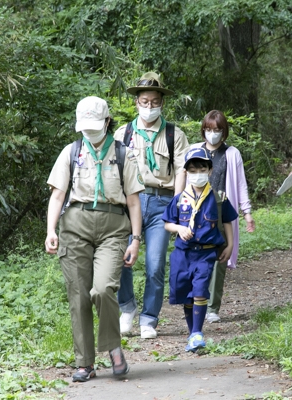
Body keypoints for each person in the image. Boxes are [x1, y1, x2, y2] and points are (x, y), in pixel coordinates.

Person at [44, 96, 144, 382]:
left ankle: (113, 346)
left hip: (113, 227)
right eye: (85, 126)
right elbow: (58, 195)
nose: (89, 131)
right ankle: (84, 363)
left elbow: (134, 202)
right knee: (78, 296)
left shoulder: (123, 153)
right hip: (75, 226)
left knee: (102, 290)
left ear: (107, 122)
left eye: (95, 125)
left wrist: (135, 239)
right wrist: (51, 231)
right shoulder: (71, 152)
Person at [115, 72, 190, 339]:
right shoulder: (122, 133)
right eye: (144, 101)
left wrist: (178, 203)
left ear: (162, 103)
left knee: (155, 264)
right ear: (136, 102)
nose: (149, 107)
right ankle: (127, 308)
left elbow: (182, 169)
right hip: (128, 203)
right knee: (121, 259)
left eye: (155, 102)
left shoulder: (174, 134)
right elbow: (113, 172)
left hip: (161, 202)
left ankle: (149, 318)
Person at [162, 147, 238, 352]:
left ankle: (197, 332)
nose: (198, 174)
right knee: (186, 293)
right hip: (183, 253)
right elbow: (167, 224)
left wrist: (230, 245)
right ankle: (192, 333)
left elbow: (228, 220)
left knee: (200, 290)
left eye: (202, 169)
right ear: (186, 172)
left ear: (210, 170)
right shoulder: (179, 199)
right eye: (193, 170)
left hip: (206, 253)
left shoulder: (218, 197)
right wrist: (179, 228)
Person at [189, 110, 255, 323]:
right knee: (196, 258)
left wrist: (247, 213)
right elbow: (183, 180)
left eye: (217, 130)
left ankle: (212, 307)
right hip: (196, 211)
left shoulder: (231, 153)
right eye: (209, 130)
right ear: (203, 130)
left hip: (221, 212)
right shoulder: (194, 151)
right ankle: (195, 300)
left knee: (219, 260)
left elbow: (240, 184)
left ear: (223, 132)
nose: (213, 134)